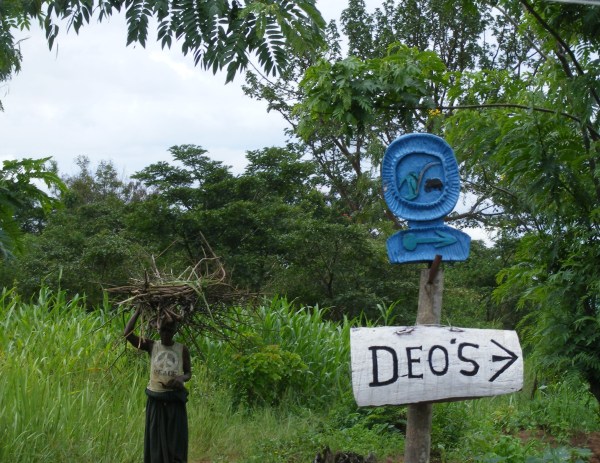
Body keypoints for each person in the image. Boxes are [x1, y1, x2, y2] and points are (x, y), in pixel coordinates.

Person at [124, 307, 192, 463]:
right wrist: (138, 311)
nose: (166, 333)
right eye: (164, 330)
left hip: (175, 402)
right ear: (158, 329)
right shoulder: (152, 345)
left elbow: (188, 373)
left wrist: (180, 379)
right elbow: (127, 334)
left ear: (175, 330)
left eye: (170, 330)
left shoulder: (182, 350)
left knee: (175, 442)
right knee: (155, 443)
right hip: (156, 400)